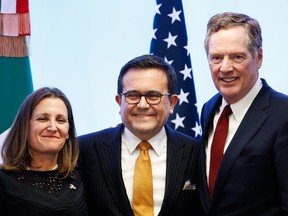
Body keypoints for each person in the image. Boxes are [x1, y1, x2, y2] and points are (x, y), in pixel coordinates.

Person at [77, 54, 202, 215]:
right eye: (133, 96)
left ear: (172, 103)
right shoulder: (84, 149)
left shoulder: (197, 153)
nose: (142, 105)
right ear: (119, 102)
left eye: (153, 96)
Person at [199, 12, 288, 215]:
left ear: (259, 58)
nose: (225, 67)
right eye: (216, 58)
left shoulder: (284, 114)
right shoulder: (208, 109)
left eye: (237, 57)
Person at [0, 87, 88, 216]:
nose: (53, 127)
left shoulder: (80, 177)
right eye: (42, 119)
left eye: (61, 120)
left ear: (68, 132)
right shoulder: (3, 181)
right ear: (24, 127)